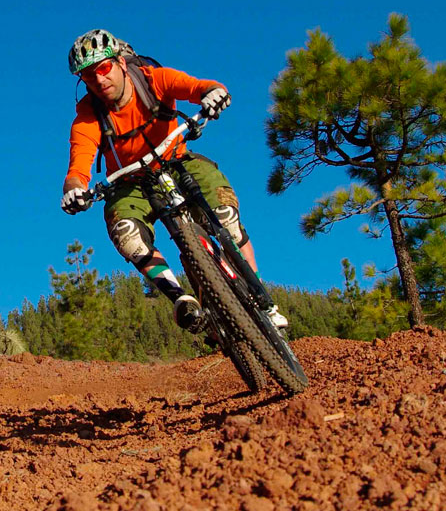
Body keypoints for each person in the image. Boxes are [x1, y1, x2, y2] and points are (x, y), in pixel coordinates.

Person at [59, 29, 289, 336]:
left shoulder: (154, 79)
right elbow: (78, 169)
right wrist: (74, 191)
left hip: (177, 159)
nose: (99, 80)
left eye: (103, 68)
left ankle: (261, 298)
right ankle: (181, 298)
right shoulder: (88, 117)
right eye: (88, 76)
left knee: (226, 219)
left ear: (121, 63)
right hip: (131, 182)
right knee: (127, 234)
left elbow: (197, 86)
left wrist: (212, 94)